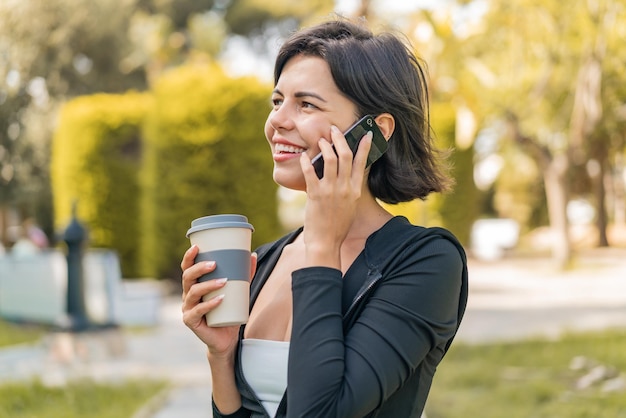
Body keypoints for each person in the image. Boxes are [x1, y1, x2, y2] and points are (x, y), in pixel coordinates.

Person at [181, 17, 469, 418]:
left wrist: (322, 245)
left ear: (374, 132)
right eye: (277, 101)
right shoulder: (264, 262)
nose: (277, 120)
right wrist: (222, 354)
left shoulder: (426, 262)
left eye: (306, 104)